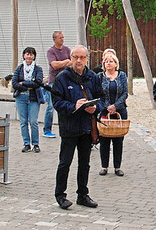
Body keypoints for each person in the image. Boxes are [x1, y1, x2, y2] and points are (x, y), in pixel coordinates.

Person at [52, 45, 103, 209]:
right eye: (76, 57)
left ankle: (83, 194)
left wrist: (96, 108)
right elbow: (57, 103)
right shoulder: (62, 78)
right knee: (65, 162)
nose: (79, 60)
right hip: (69, 127)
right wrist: (74, 106)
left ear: (87, 59)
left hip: (87, 127)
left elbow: (101, 98)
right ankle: (60, 195)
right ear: (71, 58)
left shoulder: (93, 77)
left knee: (85, 163)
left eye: (82, 57)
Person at [97, 51, 128, 176]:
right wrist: (108, 106)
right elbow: (98, 93)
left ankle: (117, 167)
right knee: (104, 139)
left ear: (116, 63)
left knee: (118, 139)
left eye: (111, 61)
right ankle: (104, 166)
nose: (108, 63)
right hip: (105, 110)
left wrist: (115, 106)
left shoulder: (121, 75)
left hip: (120, 110)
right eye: (106, 61)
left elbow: (125, 93)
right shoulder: (100, 76)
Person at [12, 46, 44, 153]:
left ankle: (36, 143)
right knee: (23, 121)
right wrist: (26, 87)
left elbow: (38, 83)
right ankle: (26, 143)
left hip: (34, 98)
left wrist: (24, 83)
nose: (29, 56)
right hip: (21, 97)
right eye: (27, 54)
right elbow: (14, 83)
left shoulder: (38, 69)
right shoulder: (19, 68)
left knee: (33, 121)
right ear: (24, 55)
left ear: (34, 56)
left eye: (31, 54)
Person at [44, 31, 71, 138]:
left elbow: (72, 62)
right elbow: (54, 65)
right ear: (54, 39)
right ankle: (47, 129)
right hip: (53, 82)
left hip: (65, 81)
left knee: (66, 105)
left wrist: (64, 63)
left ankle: (66, 127)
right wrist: (65, 62)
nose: (62, 39)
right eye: (60, 38)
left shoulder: (67, 50)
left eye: (63, 37)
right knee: (51, 106)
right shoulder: (51, 51)